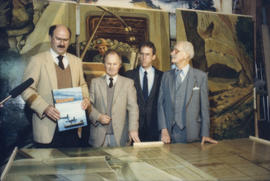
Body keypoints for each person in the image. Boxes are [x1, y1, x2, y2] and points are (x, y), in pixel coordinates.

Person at [21, 24, 90, 148]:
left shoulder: (76, 61)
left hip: (73, 127)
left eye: (65, 40)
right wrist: (45, 108)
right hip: (47, 129)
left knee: (72, 166)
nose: (62, 43)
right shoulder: (37, 60)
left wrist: (85, 98)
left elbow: (83, 85)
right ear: (50, 38)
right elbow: (26, 89)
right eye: (58, 39)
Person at [158, 41, 218, 145]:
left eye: (176, 51)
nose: (172, 53)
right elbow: (160, 104)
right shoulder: (166, 76)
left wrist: (205, 133)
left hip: (192, 135)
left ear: (186, 55)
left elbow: (204, 107)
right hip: (168, 136)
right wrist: (163, 129)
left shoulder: (200, 77)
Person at [88, 50, 140, 147]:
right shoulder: (95, 83)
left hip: (120, 137)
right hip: (98, 137)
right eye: (108, 64)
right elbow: (88, 106)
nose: (111, 67)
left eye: (114, 64)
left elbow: (133, 109)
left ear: (120, 65)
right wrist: (98, 117)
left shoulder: (128, 83)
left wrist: (133, 129)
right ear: (104, 64)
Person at [125, 41, 163, 141]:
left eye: (147, 54)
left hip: (155, 128)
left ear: (153, 56)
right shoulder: (129, 76)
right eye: (141, 54)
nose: (144, 57)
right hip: (134, 129)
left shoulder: (162, 77)